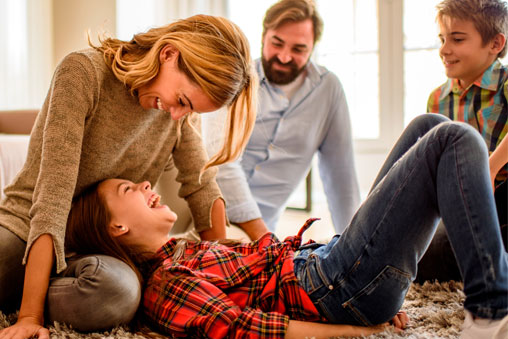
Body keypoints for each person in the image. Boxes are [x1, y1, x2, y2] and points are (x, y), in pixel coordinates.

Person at [65, 114, 507, 339]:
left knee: (429, 127)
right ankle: (490, 310)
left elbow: (210, 192)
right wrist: (358, 330)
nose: (144, 183)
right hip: (337, 288)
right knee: (455, 139)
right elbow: (249, 328)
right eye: (128, 190)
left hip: (328, 264)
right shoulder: (165, 284)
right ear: (117, 229)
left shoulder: (182, 249)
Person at [0, 15, 257, 338]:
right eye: (182, 101)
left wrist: (221, 274)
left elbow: (202, 185)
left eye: (190, 111)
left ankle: (39, 286)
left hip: (104, 247)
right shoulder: (83, 72)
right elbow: (52, 198)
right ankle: (31, 289)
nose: (178, 115)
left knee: (118, 292)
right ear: (168, 54)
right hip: (28, 228)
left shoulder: (175, 114)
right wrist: (28, 317)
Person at [204, 0, 360, 240]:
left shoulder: (328, 90)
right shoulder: (236, 79)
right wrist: (264, 237)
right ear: (264, 36)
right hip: (213, 216)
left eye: (298, 49)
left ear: (312, 48)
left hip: (262, 232)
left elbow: (341, 179)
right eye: (277, 43)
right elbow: (220, 162)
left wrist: (353, 243)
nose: (284, 57)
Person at [417, 0, 508, 283]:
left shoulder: (504, 84)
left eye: (457, 39)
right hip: (464, 206)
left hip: (501, 194)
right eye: (442, 39)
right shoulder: (437, 99)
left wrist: (489, 169)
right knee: (425, 261)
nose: (445, 49)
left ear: (495, 43)